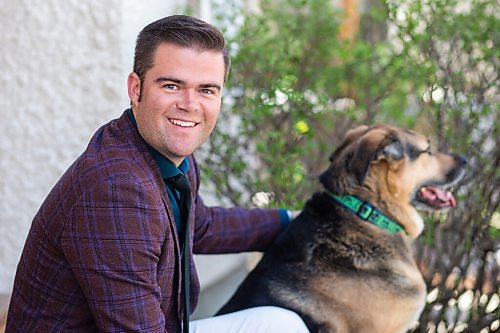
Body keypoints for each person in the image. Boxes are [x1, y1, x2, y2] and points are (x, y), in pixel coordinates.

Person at [5, 15, 309, 333]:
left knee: (279, 324)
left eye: (206, 90)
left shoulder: (165, 154)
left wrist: (294, 219)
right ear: (136, 88)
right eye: (171, 85)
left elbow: (201, 226)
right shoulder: (118, 189)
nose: (189, 105)